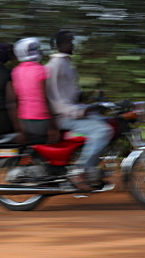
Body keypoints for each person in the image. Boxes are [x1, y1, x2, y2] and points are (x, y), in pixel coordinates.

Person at [45, 30, 113, 185]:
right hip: (64, 117)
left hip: (71, 111)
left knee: (108, 121)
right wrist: (81, 110)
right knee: (103, 130)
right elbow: (54, 98)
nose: (73, 45)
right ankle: (81, 170)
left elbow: (70, 93)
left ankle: (93, 168)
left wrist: (90, 98)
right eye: (70, 42)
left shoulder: (66, 63)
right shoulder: (55, 66)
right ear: (61, 45)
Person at [11, 37, 59, 144]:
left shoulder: (16, 71)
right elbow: (46, 98)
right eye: (36, 48)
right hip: (42, 119)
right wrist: (53, 126)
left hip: (24, 118)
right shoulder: (42, 70)